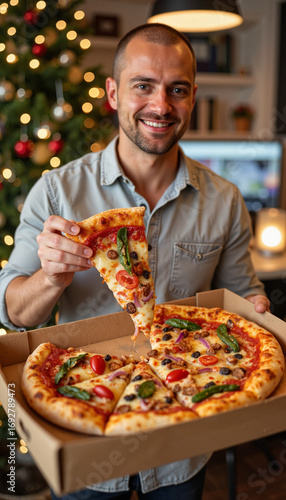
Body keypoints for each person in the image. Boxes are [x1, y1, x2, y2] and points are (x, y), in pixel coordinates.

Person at [0, 23, 270, 500]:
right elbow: (12, 311)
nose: (161, 106)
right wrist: (51, 276)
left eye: (177, 90)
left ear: (192, 96)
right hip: (85, 434)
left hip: (185, 437)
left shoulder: (224, 199)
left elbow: (238, 297)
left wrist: (255, 307)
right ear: (112, 93)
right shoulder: (57, 192)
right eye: (143, 86)